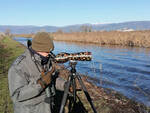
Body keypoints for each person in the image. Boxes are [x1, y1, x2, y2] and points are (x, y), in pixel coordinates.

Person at [8, 32, 66, 113]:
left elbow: (51, 79)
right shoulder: (19, 66)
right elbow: (16, 95)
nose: (49, 54)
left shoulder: (45, 60)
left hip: (47, 108)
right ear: (38, 49)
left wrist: (64, 85)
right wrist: (41, 84)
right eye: (47, 51)